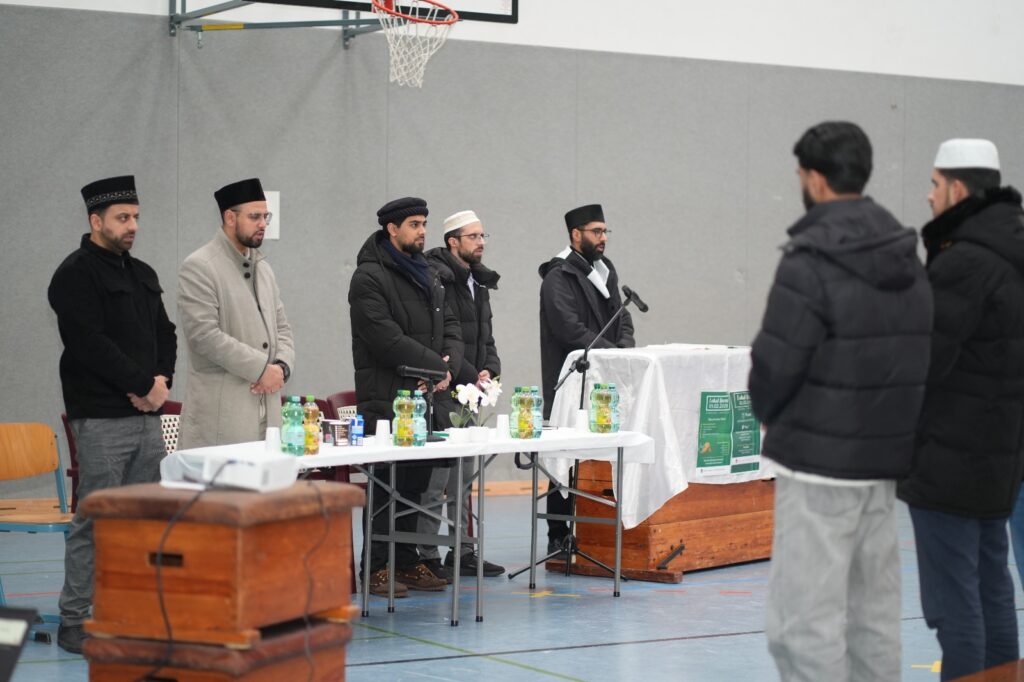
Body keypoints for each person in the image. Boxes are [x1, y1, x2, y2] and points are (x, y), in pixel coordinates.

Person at [749, 121, 932, 681]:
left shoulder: (810, 259)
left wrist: (769, 413)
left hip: (818, 470)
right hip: (881, 468)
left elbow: (775, 364)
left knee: (802, 624)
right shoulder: (906, 256)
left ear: (816, 179)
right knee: (872, 617)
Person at [898, 138, 1024, 681]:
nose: (929, 196)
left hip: (950, 461)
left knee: (956, 606)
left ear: (956, 187)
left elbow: (921, 361)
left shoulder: (965, 262)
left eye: (933, 184)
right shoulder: (1009, 252)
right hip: (999, 459)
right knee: (992, 592)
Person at [48, 175, 178, 654]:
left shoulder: (142, 272)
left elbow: (166, 334)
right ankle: (75, 620)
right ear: (95, 221)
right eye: (122, 218)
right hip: (101, 418)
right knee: (96, 521)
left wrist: (161, 383)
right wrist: (144, 386)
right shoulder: (74, 275)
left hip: (146, 418)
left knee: (145, 519)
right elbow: (89, 344)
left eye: (136, 217)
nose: (132, 226)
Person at [349, 196, 464, 596]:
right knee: (386, 486)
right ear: (392, 229)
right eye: (414, 224)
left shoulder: (429, 274)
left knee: (415, 484)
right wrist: (435, 367)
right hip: (385, 398)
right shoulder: (368, 277)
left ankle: (407, 561)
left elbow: (451, 326)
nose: (422, 232)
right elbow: (384, 338)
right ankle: (377, 567)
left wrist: (449, 365)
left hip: (423, 400)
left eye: (424, 224)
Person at [538, 203, 635, 556]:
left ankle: (602, 531)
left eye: (605, 231)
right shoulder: (558, 277)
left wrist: (624, 350)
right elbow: (569, 329)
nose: (603, 237)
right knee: (565, 458)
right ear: (575, 234)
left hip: (605, 378)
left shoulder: (605, 271)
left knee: (601, 451)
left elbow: (622, 317)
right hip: (572, 381)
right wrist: (611, 354)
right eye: (596, 231)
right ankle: (558, 533)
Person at [176, 178, 295, 449]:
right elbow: (204, 336)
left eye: (265, 216)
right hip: (222, 422)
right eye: (254, 216)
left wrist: (281, 367)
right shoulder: (200, 266)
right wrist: (260, 370)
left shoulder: (264, 268)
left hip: (269, 417)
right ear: (230, 217)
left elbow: (283, 328)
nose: (263, 223)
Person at [418, 210, 505, 580]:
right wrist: (473, 375)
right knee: (437, 481)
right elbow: (447, 338)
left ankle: (463, 551)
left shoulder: (478, 281)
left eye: (483, 236)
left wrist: (491, 371)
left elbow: (486, 337)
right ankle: (427, 554)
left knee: (464, 481)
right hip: (446, 389)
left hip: (472, 390)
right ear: (453, 241)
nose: (481, 242)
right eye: (473, 236)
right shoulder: (439, 278)